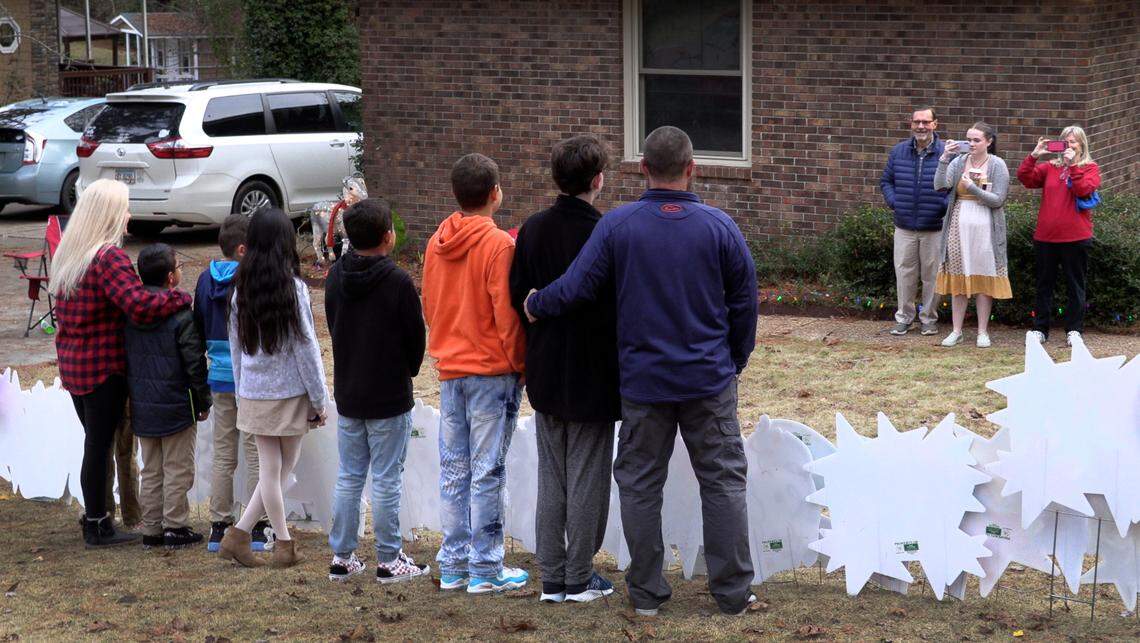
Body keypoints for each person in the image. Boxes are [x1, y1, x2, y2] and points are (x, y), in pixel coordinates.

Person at [524, 126, 759, 616]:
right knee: (722, 482)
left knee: (640, 484)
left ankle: (648, 594)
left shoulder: (618, 225)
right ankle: (733, 594)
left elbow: (576, 286)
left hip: (644, 384)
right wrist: (734, 360)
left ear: (643, 170)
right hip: (708, 381)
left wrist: (536, 303)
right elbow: (744, 305)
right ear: (692, 168)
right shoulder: (721, 226)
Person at [508, 135, 620, 604]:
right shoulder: (608, 232)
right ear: (597, 180)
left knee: (552, 474)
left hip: (548, 367)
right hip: (594, 370)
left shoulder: (532, 229)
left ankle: (552, 576)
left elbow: (519, 295)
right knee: (588, 475)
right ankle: (578, 576)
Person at [51, 178, 191, 548]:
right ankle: (97, 523)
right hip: (102, 368)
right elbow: (140, 306)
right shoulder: (107, 257)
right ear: (110, 214)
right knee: (98, 445)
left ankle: (97, 516)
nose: (129, 214)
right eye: (125, 207)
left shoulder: (70, 253)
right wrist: (179, 298)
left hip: (74, 364)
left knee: (94, 442)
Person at [422, 153, 529, 594]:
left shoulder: (436, 242)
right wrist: (521, 364)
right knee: (487, 471)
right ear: (495, 193)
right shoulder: (499, 244)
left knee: (454, 468)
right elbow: (507, 315)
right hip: (490, 371)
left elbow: (430, 304)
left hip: (452, 371)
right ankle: (485, 567)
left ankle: (454, 562)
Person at [324, 198, 430, 583]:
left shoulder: (336, 276)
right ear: (388, 236)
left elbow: (335, 325)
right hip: (387, 393)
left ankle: (343, 555)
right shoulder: (399, 282)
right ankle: (388, 557)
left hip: (350, 390)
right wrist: (408, 369)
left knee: (350, 475)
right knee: (385, 477)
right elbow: (415, 337)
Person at [219, 207, 329, 569]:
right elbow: (307, 348)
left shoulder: (240, 290)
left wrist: (241, 391)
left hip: (253, 391)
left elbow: (235, 348)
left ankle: (239, 535)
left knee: (272, 470)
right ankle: (282, 542)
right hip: (288, 392)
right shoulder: (293, 289)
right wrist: (319, 397)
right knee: (282, 470)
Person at [126, 244, 211, 549]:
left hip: (143, 405)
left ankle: (151, 528)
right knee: (177, 468)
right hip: (177, 404)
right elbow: (194, 362)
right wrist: (203, 400)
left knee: (151, 469)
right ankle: (175, 525)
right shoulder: (181, 314)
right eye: (178, 266)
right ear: (171, 278)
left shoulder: (130, 313)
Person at [193, 212, 269, 553]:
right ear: (242, 250)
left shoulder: (203, 281)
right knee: (256, 453)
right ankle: (254, 526)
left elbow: (196, 326)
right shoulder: (252, 279)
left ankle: (218, 524)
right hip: (249, 379)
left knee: (224, 454)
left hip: (219, 378)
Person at [1016, 125, 1102, 346]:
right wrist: (1034, 155)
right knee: (1044, 284)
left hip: (1076, 237)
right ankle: (1040, 329)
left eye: (1074, 141)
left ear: (1082, 144)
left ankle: (1074, 329)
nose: (1069, 145)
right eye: (1066, 141)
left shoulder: (1090, 168)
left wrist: (1073, 165)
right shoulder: (1048, 168)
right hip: (1046, 237)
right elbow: (1025, 178)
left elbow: (1083, 190)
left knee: (1075, 285)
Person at [933, 122, 1011, 348]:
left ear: (989, 141)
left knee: (983, 279)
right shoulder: (958, 162)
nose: (972, 144)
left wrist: (973, 188)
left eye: (976, 140)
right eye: (968, 140)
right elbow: (940, 185)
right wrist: (944, 158)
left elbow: (998, 199)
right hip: (958, 226)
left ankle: (982, 332)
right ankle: (956, 331)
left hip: (986, 227)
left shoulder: (997, 164)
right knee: (959, 279)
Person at [880, 106, 948, 337]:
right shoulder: (899, 151)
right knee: (904, 274)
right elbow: (886, 181)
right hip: (904, 226)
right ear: (911, 124)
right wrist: (894, 202)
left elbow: (955, 186)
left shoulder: (947, 152)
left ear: (935, 124)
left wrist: (943, 207)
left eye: (926, 122)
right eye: (917, 122)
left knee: (932, 276)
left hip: (935, 226)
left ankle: (928, 319)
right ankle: (904, 318)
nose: (921, 126)